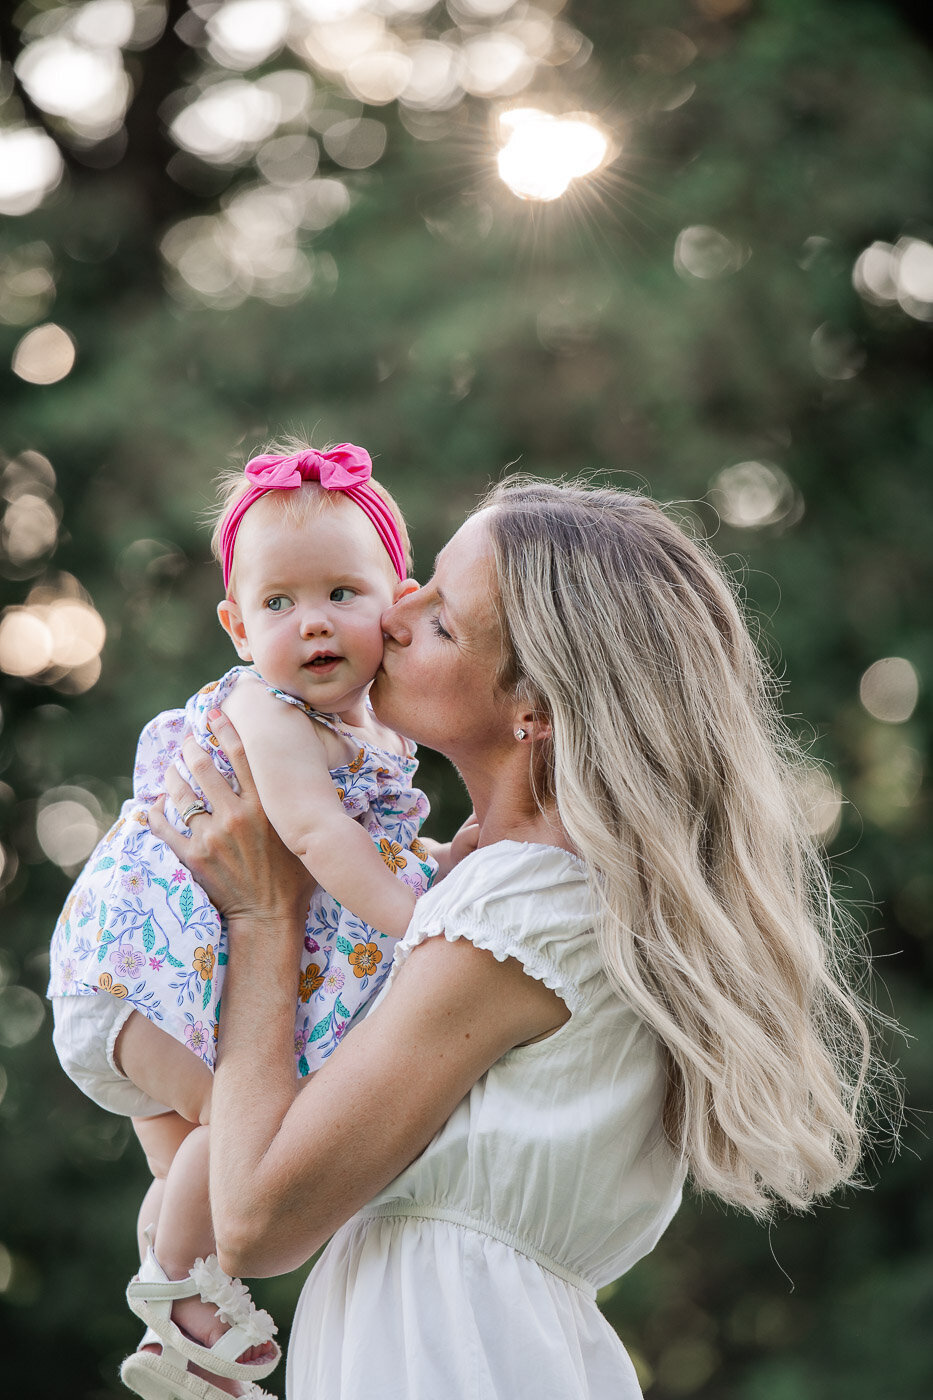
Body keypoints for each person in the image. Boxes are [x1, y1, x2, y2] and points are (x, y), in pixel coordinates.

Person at [150, 476, 886, 1400]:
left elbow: (256, 1219)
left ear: (532, 706)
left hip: (452, 1360)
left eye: (443, 619)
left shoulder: (517, 911)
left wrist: (262, 914)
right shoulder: (514, 888)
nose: (395, 609)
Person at [47, 442, 472, 1400]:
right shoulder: (267, 710)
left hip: (179, 987)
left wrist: (449, 861)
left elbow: (380, 847)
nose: (311, 624)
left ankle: (182, 1342)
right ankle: (180, 1300)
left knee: (191, 1180)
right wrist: (425, 924)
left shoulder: (377, 733)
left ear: (397, 606)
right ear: (238, 628)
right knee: (239, 1144)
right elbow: (319, 840)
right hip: (144, 978)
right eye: (278, 604)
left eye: (340, 595)